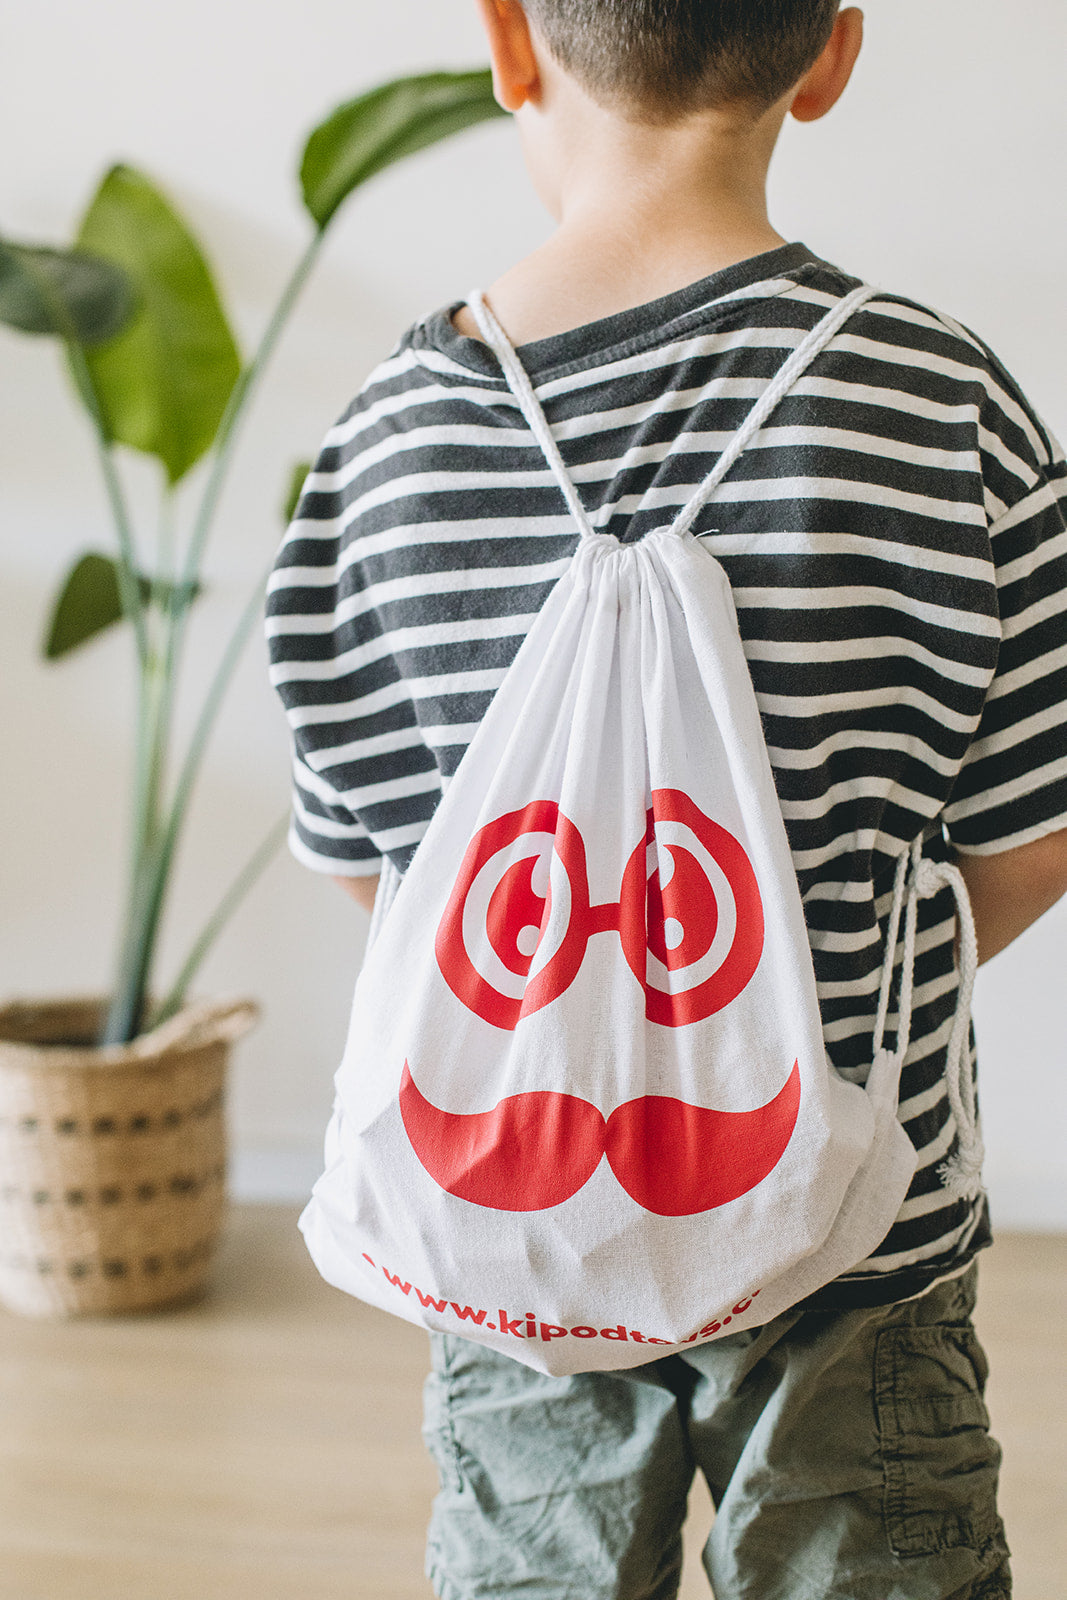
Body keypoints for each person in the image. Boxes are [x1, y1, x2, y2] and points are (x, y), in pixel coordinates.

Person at [266, 3, 1067, 1595]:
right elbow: (1029, 837)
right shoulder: (944, 405)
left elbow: (381, 876)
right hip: (860, 1223)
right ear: (831, 55)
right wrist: (768, 1005)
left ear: (510, 41)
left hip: (515, 1222)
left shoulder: (386, 440)